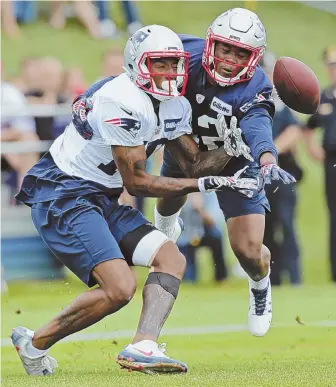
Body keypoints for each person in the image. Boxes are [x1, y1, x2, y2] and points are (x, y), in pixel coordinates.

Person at [11, 24, 258, 376]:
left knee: (170, 259)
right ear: (136, 64)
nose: (170, 73)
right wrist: (203, 184)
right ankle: (35, 344)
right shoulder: (121, 99)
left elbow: (192, 163)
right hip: (64, 192)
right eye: (160, 64)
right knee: (119, 288)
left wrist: (236, 149)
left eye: (174, 64)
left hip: (101, 195)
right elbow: (138, 182)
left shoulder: (173, 104)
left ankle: (143, 346)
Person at [154, 8, 296, 337]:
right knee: (167, 198)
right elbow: (138, 61)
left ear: (254, 57)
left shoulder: (256, 87)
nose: (230, 58)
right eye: (225, 48)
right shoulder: (181, 55)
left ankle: (260, 284)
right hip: (184, 141)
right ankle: (164, 226)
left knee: (248, 249)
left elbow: (259, 127)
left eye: (241, 53)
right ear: (210, 43)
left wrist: (267, 159)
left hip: (235, 154)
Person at [261, 52, 303, 286]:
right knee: (265, 229)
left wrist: (268, 152)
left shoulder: (283, 102)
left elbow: (294, 132)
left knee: (286, 224)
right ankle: (272, 278)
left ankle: (295, 277)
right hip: (260, 178)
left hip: (282, 175)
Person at [303, 46, 336, 283]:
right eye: (330, 66)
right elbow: (308, 126)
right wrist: (313, 149)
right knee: (334, 215)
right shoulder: (324, 97)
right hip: (332, 164)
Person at [178, 192, 228, 283]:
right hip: (185, 235)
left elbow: (213, 222)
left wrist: (199, 208)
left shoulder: (211, 193)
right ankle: (189, 276)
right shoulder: (180, 192)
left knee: (217, 235)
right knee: (189, 280)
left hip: (206, 231)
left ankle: (221, 277)